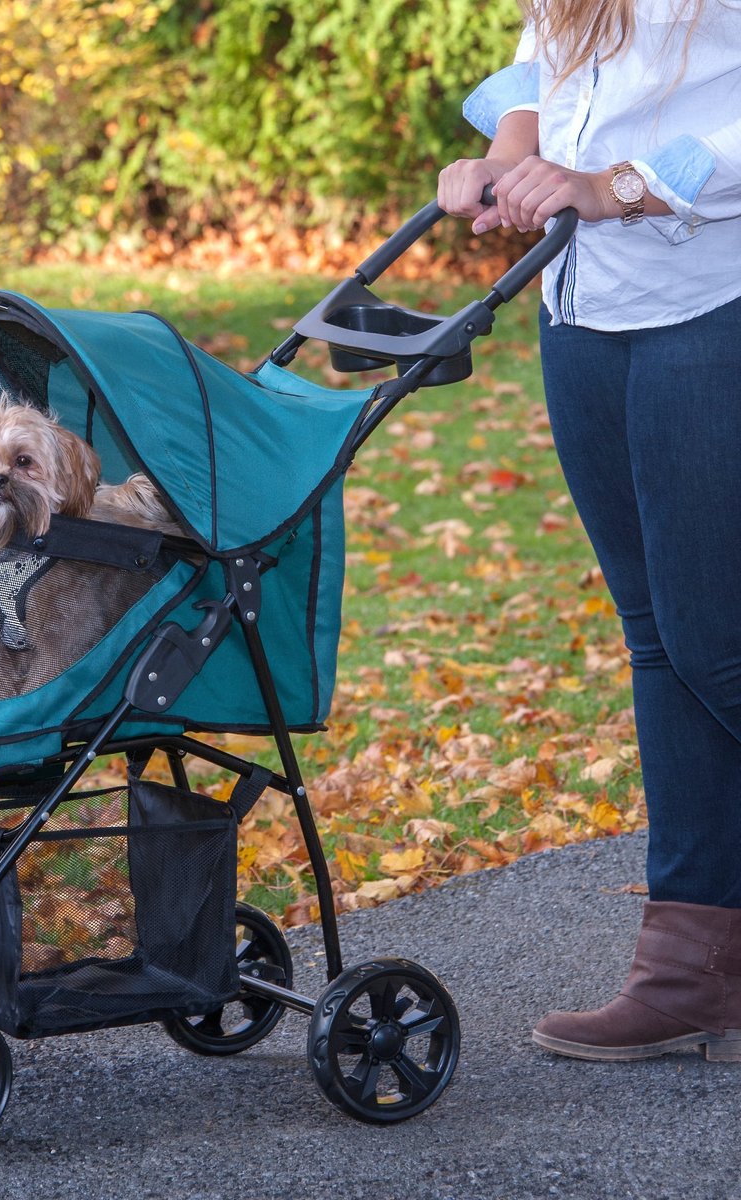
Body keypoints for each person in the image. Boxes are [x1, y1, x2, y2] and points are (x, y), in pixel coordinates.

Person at [437, 0, 741, 1062]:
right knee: (659, 641)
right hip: (584, 306)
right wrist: (507, 155)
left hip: (714, 302)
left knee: (719, 646)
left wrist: (614, 186)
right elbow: (544, 57)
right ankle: (690, 972)